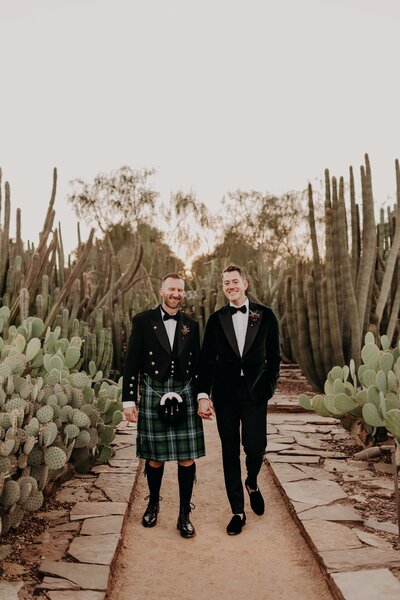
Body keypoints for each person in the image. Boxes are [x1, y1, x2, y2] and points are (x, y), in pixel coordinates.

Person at [197, 264, 280, 535]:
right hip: (225, 395)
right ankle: (237, 511)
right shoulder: (216, 319)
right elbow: (207, 361)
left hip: (256, 393)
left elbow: (274, 357)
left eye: (234, 281)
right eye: (226, 283)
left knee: (255, 447)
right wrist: (203, 395)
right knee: (229, 451)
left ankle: (252, 482)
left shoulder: (265, 316)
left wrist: (269, 387)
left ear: (245, 284)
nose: (230, 286)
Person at [122, 273, 205, 538]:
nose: (176, 294)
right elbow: (131, 362)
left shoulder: (191, 324)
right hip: (152, 390)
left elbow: (199, 364)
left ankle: (184, 514)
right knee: (155, 457)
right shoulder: (143, 320)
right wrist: (128, 400)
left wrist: (202, 394)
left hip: (184, 390)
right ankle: (153, 503)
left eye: (180, 290)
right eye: (172, 289)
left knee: (186, 457)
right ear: (162, 291)